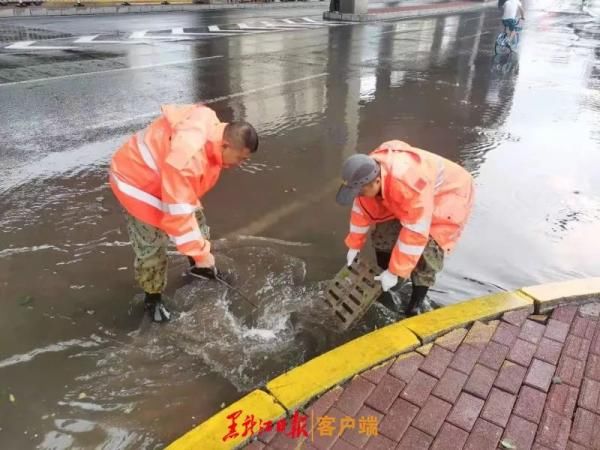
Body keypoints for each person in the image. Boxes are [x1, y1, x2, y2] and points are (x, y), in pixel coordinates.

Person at [109, 104, 258, 322]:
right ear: (226, 145)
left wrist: (200, 252)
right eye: (241, 158)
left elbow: (182, 200)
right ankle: (152, 300)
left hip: (165, 174)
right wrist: (201, 252)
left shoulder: (210, 123)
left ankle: (200, 268)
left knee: (196, 224)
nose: (241, 164)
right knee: (151, 247)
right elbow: (177, 214)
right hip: (136, 182)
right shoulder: (188, 159)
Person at [336, 140, 474, 316]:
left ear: (376, 182)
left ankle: (414, 306)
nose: (359, 197)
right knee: (383, 235)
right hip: (403, 192)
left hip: (448, 195)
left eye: (361, 192)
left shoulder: (410, 186)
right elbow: (361, 210)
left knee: (427, 251)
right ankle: (387, 281)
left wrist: (395, 271)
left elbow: (415, 233)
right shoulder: (366, 173)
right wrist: (354, 245)